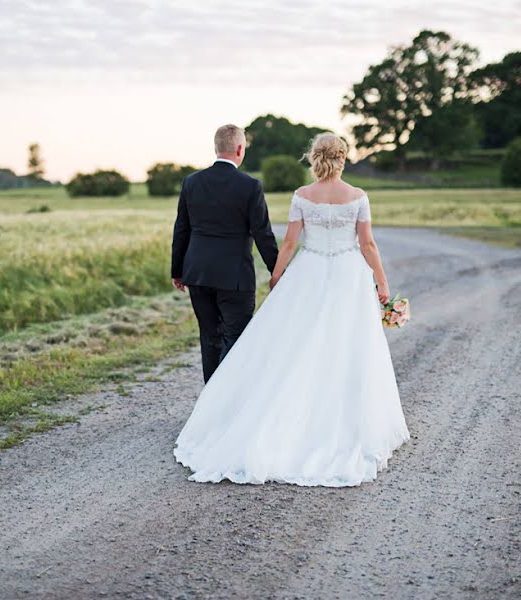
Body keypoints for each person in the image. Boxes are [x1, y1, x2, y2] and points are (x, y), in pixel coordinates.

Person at [173, 132, 410, 487]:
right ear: (342, 158)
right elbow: (368, 244)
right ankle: (342, 420)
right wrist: (382, 283)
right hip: (348, 276)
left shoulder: (302, 196)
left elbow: (289, 241)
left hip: (309, 271)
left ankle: (259, 413)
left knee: (295, 344)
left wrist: (279, 275)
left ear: (314, 158)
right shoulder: (359, 197)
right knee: (346, 345)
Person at [171, 124, 279, 383]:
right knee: (237, 340)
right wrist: (279, 271)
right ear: (240, 149)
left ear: (216, 148)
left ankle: (211, 401)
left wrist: (177, 271)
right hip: (235, 278)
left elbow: (181, 229)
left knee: (209, 338)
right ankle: (226, 402)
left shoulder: (192, 182)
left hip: (197, 273)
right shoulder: (250, 186)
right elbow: (263, 234)